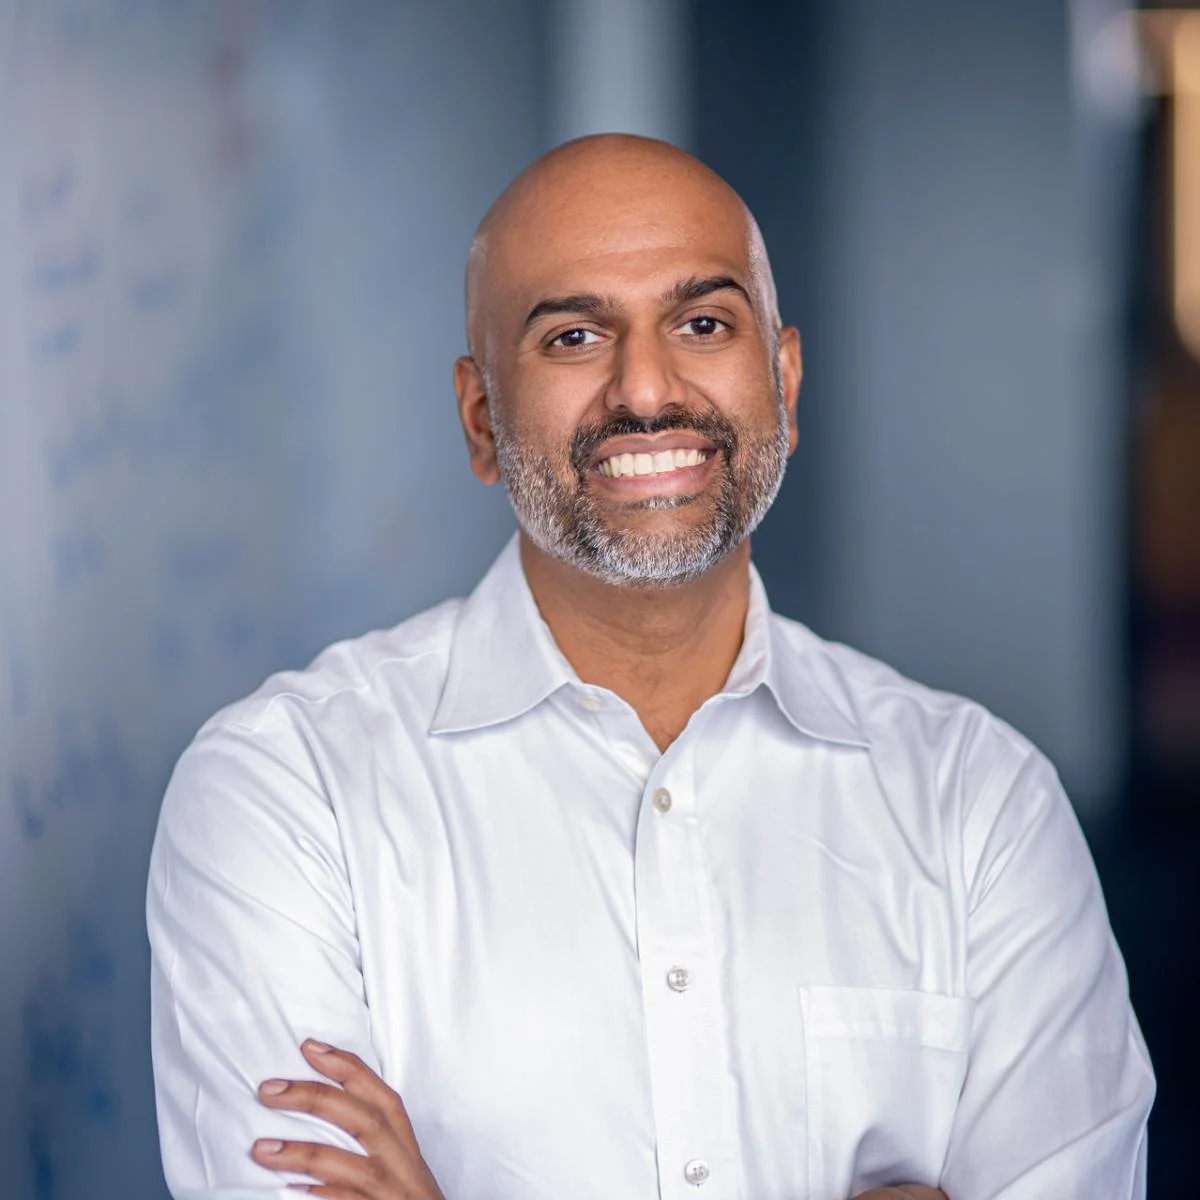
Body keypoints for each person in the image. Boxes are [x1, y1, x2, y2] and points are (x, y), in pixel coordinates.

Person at [146, 134, 1154, 1200]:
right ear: (482, 420)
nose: (644, 390)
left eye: (703, 324)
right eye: (574, 336)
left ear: (784, 381)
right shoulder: (288, 792)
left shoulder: (981, 805)